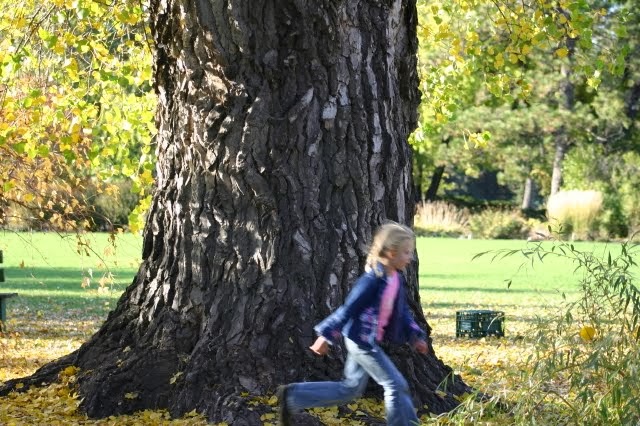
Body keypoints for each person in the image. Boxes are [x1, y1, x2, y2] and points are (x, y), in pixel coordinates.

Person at [278, 221, 429, 426]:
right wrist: (325, 336)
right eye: (406, 252)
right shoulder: (372, 280)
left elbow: (401, 313)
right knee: (395, 384)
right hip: (361, 342)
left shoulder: (395, 279)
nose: (410, 258)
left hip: (367, 341)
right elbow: (348, 309)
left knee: (349, 389)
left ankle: (292, 396)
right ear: (392, 253)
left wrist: (415, 336)